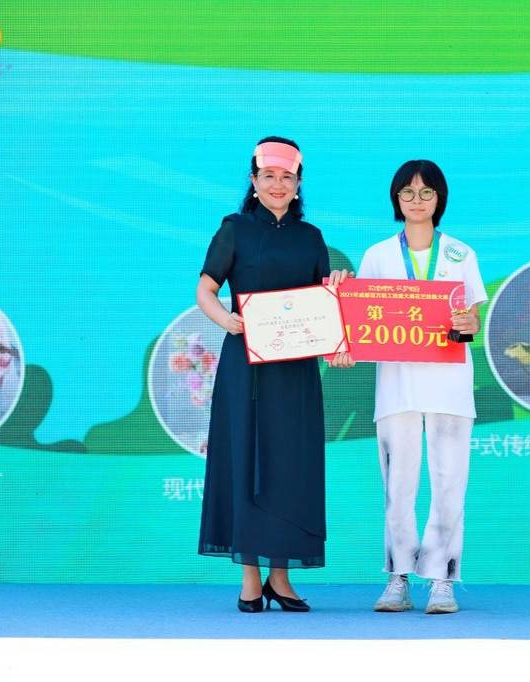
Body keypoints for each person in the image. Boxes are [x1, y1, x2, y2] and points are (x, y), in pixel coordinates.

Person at [195, 137, 351, 613]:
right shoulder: (235, 229)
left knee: (291, 465)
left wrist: (339, 308)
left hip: (297, 372)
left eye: (287, 177)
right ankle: (249, 575)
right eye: (269, 177)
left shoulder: (311, 237)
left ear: (298, 183)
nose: (278, 185)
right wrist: (226, 320)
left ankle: (280, 577)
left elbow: (325, 302)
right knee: (245, 460)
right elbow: (205, 290)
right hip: (245, 366)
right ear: (254, 181)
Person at [356, 160, 487, 614]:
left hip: (450, 384)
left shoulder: (460, 254)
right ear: (396, 199)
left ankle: (442, 580)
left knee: (450, 484)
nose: (417, 200)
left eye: (426, 192)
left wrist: (469, 324)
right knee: (398, 487)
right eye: (407, 192)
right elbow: (359, 319)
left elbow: (473, 318)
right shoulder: (377, 256)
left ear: (439, 199)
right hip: (397, 386)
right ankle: (398, 578)